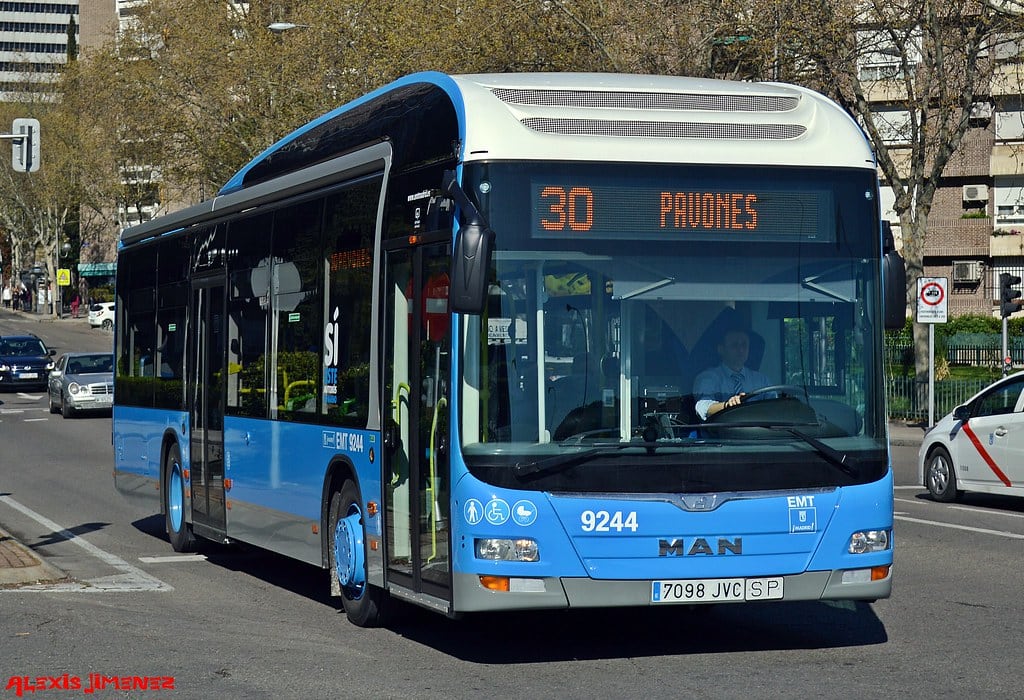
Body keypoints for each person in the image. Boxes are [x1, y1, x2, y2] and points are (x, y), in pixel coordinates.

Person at [693, 327, 771, 420]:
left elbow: (775, 408)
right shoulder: (708, 377)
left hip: (759, 433)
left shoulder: (762, 380)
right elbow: (702, 406)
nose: (741, 350)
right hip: (719, 433)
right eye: (734, 345)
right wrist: (727, 406)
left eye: (744, 345)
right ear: (721, 349)